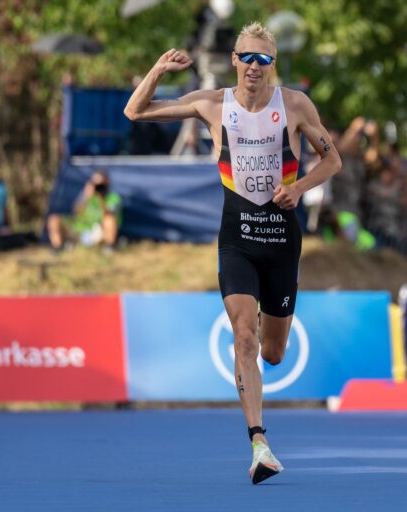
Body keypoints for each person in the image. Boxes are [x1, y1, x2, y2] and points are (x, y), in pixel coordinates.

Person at [123, 22, 341, 484]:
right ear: (234, 60)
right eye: (246, 57)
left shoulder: (295, 105)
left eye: (263, 59)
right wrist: (159, 70)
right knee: (244, 337)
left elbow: (333, 158)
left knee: (274, 353)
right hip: (237, 235)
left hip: (281, 239)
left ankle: (268, 331)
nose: (254, 67)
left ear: (272, 65)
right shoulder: (212, 103)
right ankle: (260, 444)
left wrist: (299, 187)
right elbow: (134, 111)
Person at [46, 170, 122, 252]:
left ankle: (109, 247)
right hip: (80, 230)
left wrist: (101, 199)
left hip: (99, 232)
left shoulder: (113, 198)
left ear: (107, 183)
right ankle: (58, 247)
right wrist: (86, 196)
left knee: (109, 219)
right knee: (54, 219)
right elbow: (76, 212)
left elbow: (109, 214)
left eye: (101, 184)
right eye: (95, 184)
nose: (98, 187)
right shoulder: (86, 196)